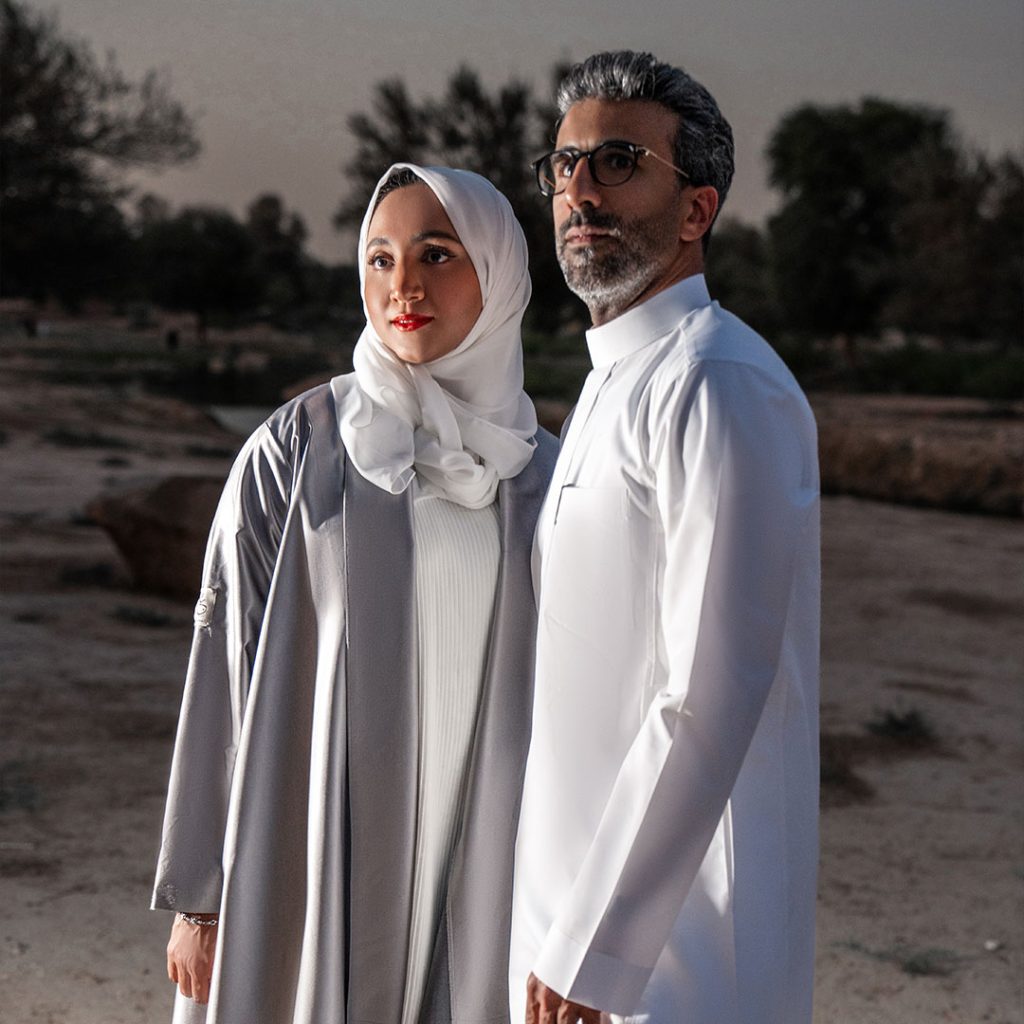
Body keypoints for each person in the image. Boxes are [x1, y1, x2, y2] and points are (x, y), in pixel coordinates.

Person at [153, 163, 557, 1024]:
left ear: (500, 276)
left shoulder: (548, 475)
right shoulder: (296, 450)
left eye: (437, 254)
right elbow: (224, 666)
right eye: (379, 259)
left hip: (484, 848)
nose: (402, 285)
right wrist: (200, 896)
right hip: (312, 850)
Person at [510, 51, 820, 1024]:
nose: (579, 191)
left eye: (617, 162)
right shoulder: (612, 381)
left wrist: (598, 945)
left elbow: (711, 689)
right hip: (576, 915)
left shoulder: (717, 381)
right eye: (563, 166)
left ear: (696, 209)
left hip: (676, 949)